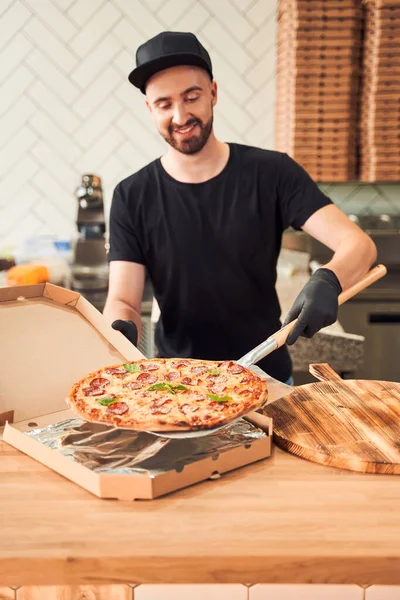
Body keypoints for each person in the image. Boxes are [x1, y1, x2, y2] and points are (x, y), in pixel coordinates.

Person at [103, 31, 377, 385]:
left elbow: (360, 245)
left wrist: (330, 278)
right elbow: (123, 299)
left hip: (266, 377)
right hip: (177, 387)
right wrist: (118, 330)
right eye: (164, 104)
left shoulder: (272, 172)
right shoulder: (132, 195)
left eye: (192, 97)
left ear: (213, 93)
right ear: (149, 108)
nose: (180, 115)